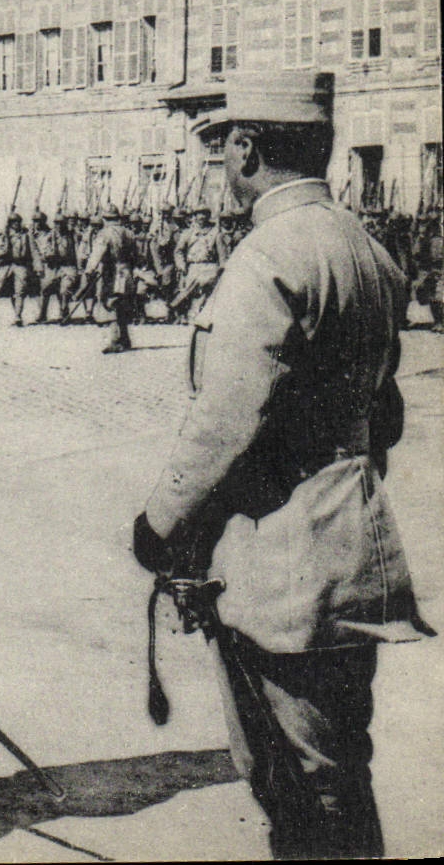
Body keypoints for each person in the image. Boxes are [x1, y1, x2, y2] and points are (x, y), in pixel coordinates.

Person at [132, 73, 433, 860]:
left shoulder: (269, 255)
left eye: (222, 149)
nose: (222, 167)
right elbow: (386, 413)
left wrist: (158, 524)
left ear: (247, 146)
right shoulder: (367, 249)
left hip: (279, 559)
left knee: (296, 783)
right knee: (334, 771)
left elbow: (223, 420)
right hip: (351, 537)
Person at [84, 206, 139, 353]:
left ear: (105, 218)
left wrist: (89, 270)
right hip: (126, 272)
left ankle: (115, 340)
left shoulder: (104, 234)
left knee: (111, 304)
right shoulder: (129, 233)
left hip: (112, 273)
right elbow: (136, 256)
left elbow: (97, 254)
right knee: (121, 305)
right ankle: (125, 339)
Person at [168, 206, 222, 324]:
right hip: (193, 267)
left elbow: (221, 254)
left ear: (209, 215)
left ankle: (199, 317)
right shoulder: (189, 233)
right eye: (199, 214)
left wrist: (220, 269)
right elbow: (179, 251)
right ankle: (186, 315)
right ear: (195, 216)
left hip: (210, 267)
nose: (202, 217)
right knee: (189, 293)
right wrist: (181, 266)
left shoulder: (216, 232)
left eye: (204, 214)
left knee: (206, 294)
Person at [0, 211, 34, 326]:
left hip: (21, 265)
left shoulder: (26, 235)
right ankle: (17, 313)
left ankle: (18, 316)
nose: (16, 224)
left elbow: (33, 251)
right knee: (11, 292)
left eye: (17, 222)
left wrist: (38, 267)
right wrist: (4, 240)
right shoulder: (5, 235)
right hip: (8, 267)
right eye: (13, 222)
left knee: (20, 291)